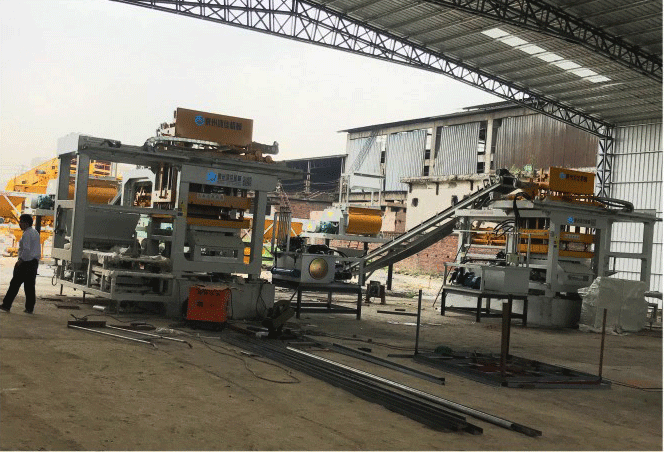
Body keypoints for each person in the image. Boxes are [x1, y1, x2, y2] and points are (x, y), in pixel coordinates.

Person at [1, 214, 41, 314]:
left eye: (21, 222)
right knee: (30, 286)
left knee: (14, 284)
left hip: (26, 263)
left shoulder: (26, 234)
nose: (19, 224)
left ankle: (6, 305)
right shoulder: (35, 232)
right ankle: (29, 308)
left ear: (26, 223)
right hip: (33, 263)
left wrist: (20, 261)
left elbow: (26, 249)